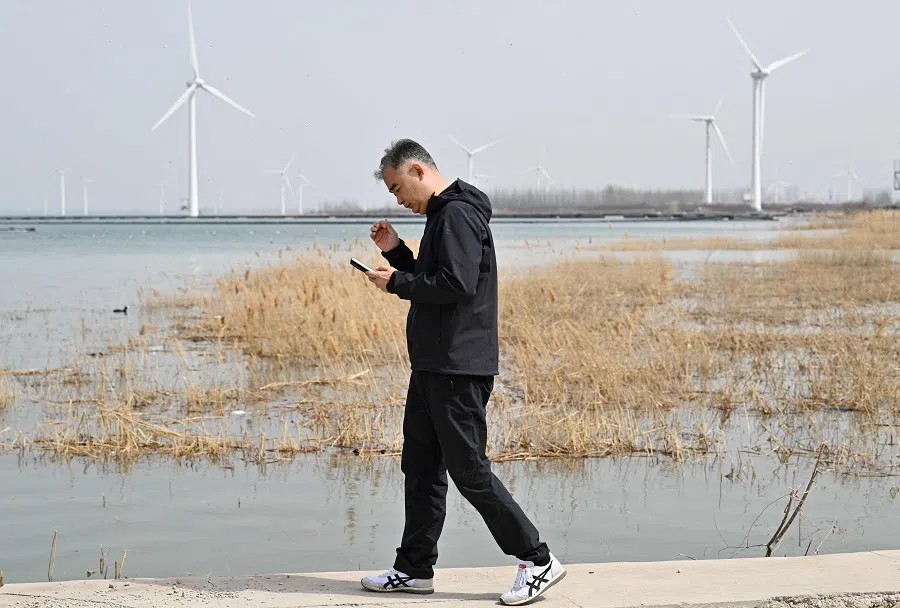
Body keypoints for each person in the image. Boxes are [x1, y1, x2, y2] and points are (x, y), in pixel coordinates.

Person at [359, 138, 566, 606]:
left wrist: (397, 283)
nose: (396, 199)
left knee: (469, 471)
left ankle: (538, 560)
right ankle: (414, 569)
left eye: (396, 188)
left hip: (458, 366)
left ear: (416, 170)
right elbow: (438, 280)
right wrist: (398, 255)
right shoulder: (441, 216)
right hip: (433, 365)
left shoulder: (456, 214)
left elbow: (456, 285)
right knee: (422, 466)